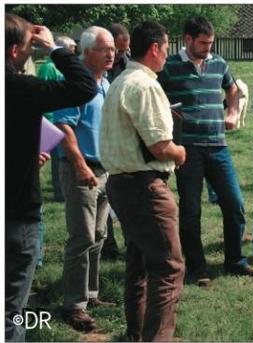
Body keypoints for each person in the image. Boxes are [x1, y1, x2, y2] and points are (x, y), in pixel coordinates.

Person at [5, 13, 96, 341]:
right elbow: (84, 86)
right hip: (15, 213)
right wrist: (55, 47)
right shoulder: (19, 87)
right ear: (15, 51)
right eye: (30, 47)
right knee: (9, 312)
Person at [100, 21, 186, 342]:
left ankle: (135, 334)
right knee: (168, 269)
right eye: (166, 48)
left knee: (137, 266)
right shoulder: (145, 85)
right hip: (145, 186)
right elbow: (159, 145)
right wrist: (179, 152)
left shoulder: (120, 80)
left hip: (121, 184)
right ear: (155, 48)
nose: (167, 55)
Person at [157, 16, 253, 286]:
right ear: (187, 39)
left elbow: (232, 87)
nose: (208, 48)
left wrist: (234, 111)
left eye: (211, 43)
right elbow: (155, 98)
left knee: (234, 204)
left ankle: (235, 261)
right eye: (203, 43)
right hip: (187, 149)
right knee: (191, 210)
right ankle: (197, 268)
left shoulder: (219, 63)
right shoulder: (168, 67)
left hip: (218, 146)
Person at [53, 26, 117, 332]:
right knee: (82, 237)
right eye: (104, 49)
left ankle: (91, 294)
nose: (111, 54)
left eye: (113, 49)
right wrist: (80, 165)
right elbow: (64, 128)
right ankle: (73, 305)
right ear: (86, 51)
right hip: (83, 170)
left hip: (105, 170)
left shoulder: (105, 84)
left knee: (100, 234)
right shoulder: (75, 87)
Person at [101, 23, 131, 261]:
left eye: (122, 50)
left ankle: (132, 244)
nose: (119, 54)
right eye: (117, 50)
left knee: (122, 198)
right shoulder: (95, 76)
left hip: (122, 140)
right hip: (101, 144)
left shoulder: (127, 65)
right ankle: (108, 246)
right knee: (103, 199)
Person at [39, 35, 77, 203]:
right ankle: (59, 191)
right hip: (51, 117)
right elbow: (43, 93)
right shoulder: (49, 67)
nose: (73, 54)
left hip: (62, 114)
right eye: (71, 50)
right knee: (55, 157)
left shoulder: (64, 67)